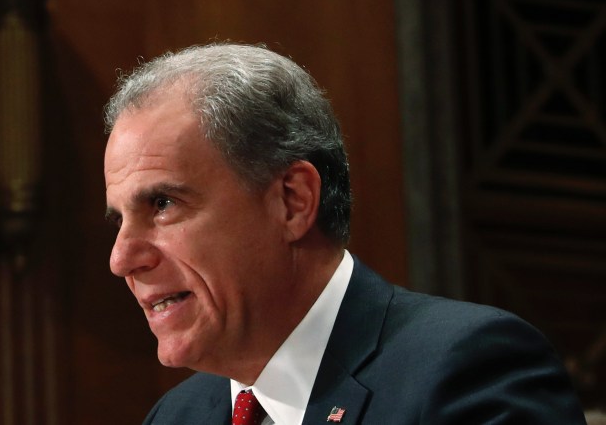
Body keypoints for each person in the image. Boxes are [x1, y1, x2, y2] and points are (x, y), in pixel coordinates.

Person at [102, 42, 585, 424]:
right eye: (120, 219)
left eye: (162, 204)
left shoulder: (469, 373)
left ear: (293, 200)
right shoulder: (176, 416)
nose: (121, 259)